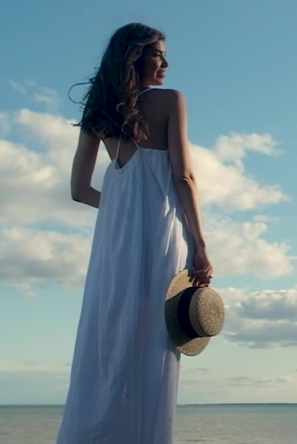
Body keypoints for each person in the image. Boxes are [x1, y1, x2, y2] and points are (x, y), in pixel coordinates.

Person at [55, 22, 213, 444]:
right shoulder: (170, 101)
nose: (166, 63)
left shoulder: (99, 114)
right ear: (137, 56)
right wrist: (200, 243)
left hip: (114, 240)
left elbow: (79, 190)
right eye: (159, 53)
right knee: (157, 340)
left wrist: (123, 211)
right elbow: (183, 176)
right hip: (161, 232)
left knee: (111, 334)